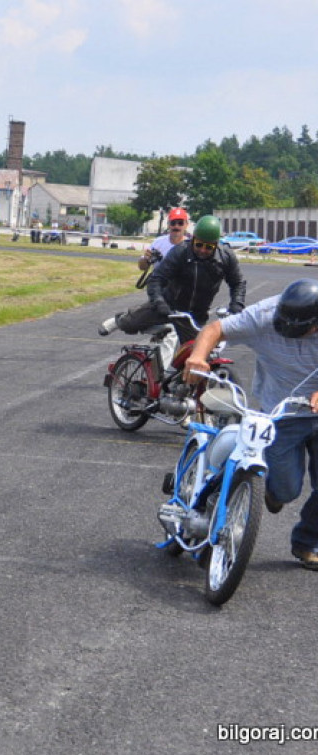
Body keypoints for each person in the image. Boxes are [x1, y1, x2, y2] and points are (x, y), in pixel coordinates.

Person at [184, 279, 318, 570]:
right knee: (286, 491)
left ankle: (308, 542)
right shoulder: (264, 314)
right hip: (283, 413)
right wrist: (197, 355)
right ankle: (273, 491)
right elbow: (215, 329)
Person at [98, 214, 247, 371]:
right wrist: (160, 303)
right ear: (193, 238)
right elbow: (156, 279)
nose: (203, 250)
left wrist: (236, 306)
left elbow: (238, 283)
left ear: (216, 245)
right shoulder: (180, 252)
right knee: (130, 324)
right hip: (168, 306)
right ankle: (119, 320)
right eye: (199, 244)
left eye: (208, 247)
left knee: (194, 362)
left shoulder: (226, 257)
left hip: (195, 315)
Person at [138, 207, 189, 273]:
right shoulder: (158, 242)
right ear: (168, 225)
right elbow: (142, 267)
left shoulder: (190, 246)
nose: (176, 226)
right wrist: (145, 259)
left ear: (186, 225)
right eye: (173, 223)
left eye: (180, 223)